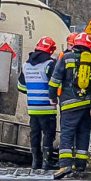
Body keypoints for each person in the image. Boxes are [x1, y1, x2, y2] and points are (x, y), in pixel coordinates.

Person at [49, 32, 91, 179]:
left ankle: (65, 165)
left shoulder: (66, 58)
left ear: (75, 44)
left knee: (67, 134)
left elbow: (55, 80)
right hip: (87, 104)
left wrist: (53, 97)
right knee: (83, 133)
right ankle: (81, 165)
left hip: (69, 104)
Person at [17, 36, 58, 170]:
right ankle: (47, 162)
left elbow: (21, 87)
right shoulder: (50, 64)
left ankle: (36, 162)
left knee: (35, 133)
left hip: (32, 107)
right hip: (47, 106)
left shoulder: (26, 65)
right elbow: (55, 84)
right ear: (50, 50)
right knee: (48, 134)